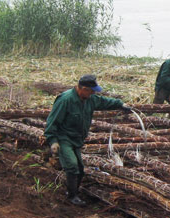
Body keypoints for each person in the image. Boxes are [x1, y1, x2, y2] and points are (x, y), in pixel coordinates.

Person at [45, 74, 132, 206]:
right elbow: (52, 121)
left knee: (80, 167)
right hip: (64, 138)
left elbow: (104, 102)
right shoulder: (65, 100)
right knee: (72, 165)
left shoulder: (89, 99)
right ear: (83, 88)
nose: (93, 93)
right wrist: (53, 141)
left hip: (77, 139)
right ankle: (72, 196)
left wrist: (121, 104)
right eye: (91, 91)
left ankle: (72, 191)